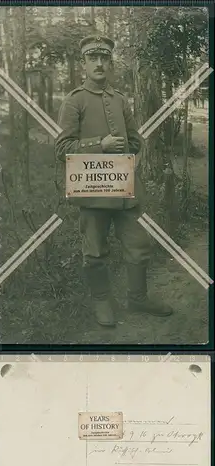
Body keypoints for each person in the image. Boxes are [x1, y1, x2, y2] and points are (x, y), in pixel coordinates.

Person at [55, 34, 173, 327]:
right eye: (93, 58)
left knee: (139, 244)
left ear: (110, 62)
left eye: (104, 58)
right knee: (94, 251)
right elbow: (61, 149)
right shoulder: (74, 101)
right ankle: (102, 302)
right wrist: (99, 144)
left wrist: (131, 163)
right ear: (83, 63)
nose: (99, 63)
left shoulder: (120, 100)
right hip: (92, 190)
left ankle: (137, 298)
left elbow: (135, 141)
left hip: (124, 189)